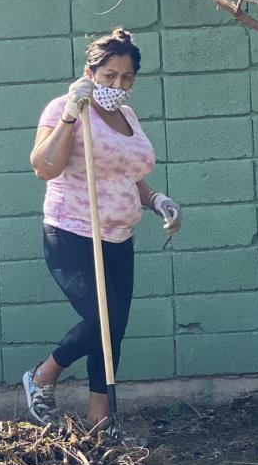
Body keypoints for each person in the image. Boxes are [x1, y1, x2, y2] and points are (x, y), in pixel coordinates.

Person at [22, 28, 182, 438]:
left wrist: (157, 200)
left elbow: (129, 176)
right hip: (72, 231)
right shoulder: (63, 108)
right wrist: (71, 116)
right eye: (109, 76)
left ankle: (100, 422)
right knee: (103, 319)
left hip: (119, 234)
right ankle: (44, 376)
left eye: (126, 78)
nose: (117, 85)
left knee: (114, 329)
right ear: (90, 72)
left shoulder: (127, 116)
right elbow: (44, 166)